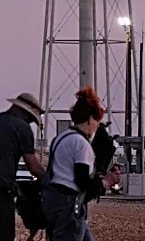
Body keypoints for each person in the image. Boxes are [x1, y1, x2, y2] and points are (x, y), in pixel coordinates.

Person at [41, 87, 120, 241]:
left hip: (53, 199)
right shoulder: (81, 143)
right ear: (90, 119)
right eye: (97, 121)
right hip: (69, 205)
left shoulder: (61, 138)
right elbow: (82, 181)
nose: (97, 126)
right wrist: (105, 182)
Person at [0, 92, 46, 241]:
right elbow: (34, 167)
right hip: (1, 192)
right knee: (3, 235)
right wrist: (53, 178)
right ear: (25, 112)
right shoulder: (22, 128)